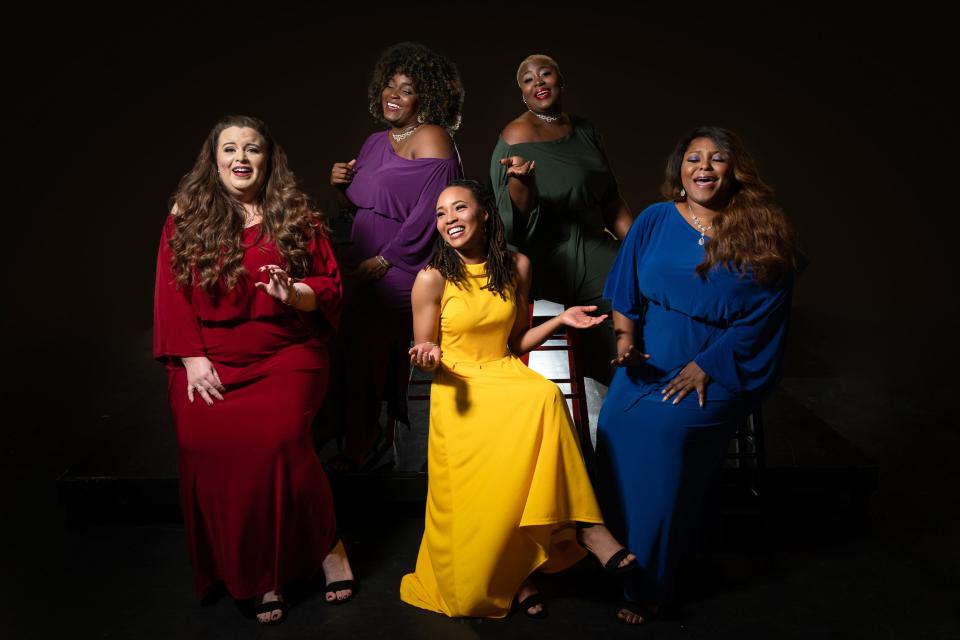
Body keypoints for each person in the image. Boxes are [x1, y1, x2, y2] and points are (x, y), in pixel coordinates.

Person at [399, 180, 636, 619]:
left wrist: (561, 319)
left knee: (543, 393)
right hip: (459, 384)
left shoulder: (517, 266)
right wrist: (427, 355)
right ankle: (525, 572)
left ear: (485, 213)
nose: (449, 219)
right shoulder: (430, 278)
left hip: (504, 372)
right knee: (469, 597)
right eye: (440, 213)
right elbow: (425, 351)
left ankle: (586, 530)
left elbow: (517, 340)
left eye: (459, 208)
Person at [153, 115, 356, 625]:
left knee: (278, 441)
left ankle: (328, 546)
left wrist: (296, 293)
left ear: (269, 159)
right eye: (230, 148)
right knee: (205, 443)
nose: (241, 157)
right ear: (215, 160)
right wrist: (193, 358)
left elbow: (329, 285)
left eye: (252, 148)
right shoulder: (186, 216)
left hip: (286, 353)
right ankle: (254, 571)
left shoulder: (297, 216)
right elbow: (170, 292)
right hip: (208, 356)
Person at [596, 126, 798, 624]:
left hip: (722, 362)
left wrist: (707, 364)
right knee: (614, 429)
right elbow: (624, 291)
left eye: (717, 158)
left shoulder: (761, 228)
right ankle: (618, 556)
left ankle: (649, 582)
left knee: (666, 438)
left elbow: (770, 310)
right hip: (653, 358)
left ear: (734, 171)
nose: (704, 167)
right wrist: (626, 345)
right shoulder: (655, 219)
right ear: (679, 171)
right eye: (693, 158)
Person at [326, 41, 464, 470]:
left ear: (426, 97)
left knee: (363, 328)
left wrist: (385, 260)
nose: (394, 95)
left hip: (408, 264)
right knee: (328, 331)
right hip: (364, 258)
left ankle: (363, 439)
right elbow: (367, 203)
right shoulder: (372, 143)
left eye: (407, 89)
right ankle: (348, 431)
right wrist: (339, 186)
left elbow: (430, 211)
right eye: (390, 86)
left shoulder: (432, 136)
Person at [489, 53, 634, 386]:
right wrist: (521, 182)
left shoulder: (585, 130)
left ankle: (630, 395)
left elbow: (611, 198)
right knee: (585, 336)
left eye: (545, 74)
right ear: (523, 94)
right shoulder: (514, 136)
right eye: (528, 79)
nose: (538, 81)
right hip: (546, 252)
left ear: (560, 81)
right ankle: (600, 399)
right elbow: (512, 222)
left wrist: (640, 245)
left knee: (642, 290)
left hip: (595, 242)